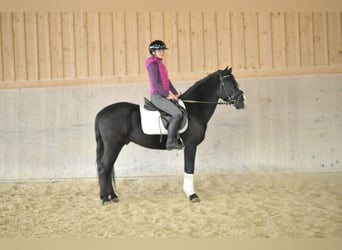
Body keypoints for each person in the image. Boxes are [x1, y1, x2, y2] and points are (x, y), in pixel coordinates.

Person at [145, 40, 183, 150]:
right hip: (157, 97)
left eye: (162, 50)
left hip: (163, 95)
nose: (162, 52)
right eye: (159, 50)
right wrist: (168, 95)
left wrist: (175, 93)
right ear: (153, 52)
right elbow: (155, 83)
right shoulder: (152, 64)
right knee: (177, 113)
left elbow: (167, 81)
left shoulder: (161, 64)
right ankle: (170, 142)